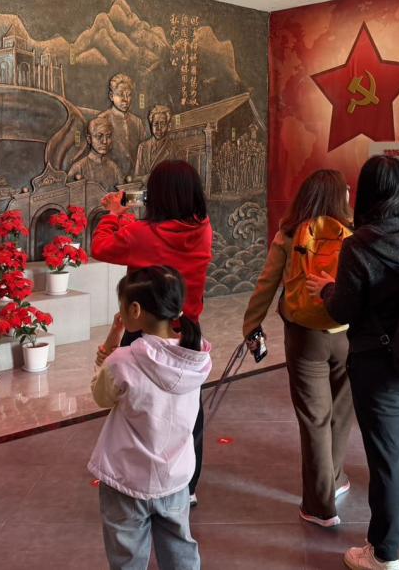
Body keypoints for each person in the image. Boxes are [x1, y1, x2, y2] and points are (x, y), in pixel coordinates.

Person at [308, 155, 399, 570]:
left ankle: (384, 552)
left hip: (379, 364)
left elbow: (344, 310)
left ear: (367, 192)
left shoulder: (361, 243)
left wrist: (327, 290)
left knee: (387, 457)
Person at [93, 160, 214, 505]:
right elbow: (151, 236)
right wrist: (129, 221)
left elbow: (102, 247)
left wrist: (114, 215)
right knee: (189, 411)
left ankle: (142, 478)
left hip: (146, 332)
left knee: (140, 410)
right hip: (186, 332)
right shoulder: (204, 229)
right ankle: (187, 485)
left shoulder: (140, 234)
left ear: (154, 195)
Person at [241, 169, 354, 528]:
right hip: (347, 334)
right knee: (341, 413)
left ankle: (320, 506)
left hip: (305, 336)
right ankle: (335, 478)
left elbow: (266, 284)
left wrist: (251, 324)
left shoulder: (289, 234)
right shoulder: (354, 234)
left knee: (314, 419)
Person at [89, 266, 211, 570]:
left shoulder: (123, 361)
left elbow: (101, 396)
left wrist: (111, 344)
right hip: (175, 478)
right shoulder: (196, 355)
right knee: (180, 550)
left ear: (134, 310)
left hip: (126, 481)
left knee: (127, 557)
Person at [98, 73, 147, 180]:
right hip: (110, 177)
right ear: (111, 96)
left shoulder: (137, 122)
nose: (125, 99)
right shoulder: (102, 119)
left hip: (134, 179)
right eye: (121, 95)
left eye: (128, 95)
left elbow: (144, 153)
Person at [68, 114, 123, 190]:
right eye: (99, 136)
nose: (104, 141)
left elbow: (121, 194)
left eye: (108, 136)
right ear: (89, 139)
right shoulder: (78, 168)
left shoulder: (114, 169)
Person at [135, 105, 176, 178]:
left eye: (162, 124)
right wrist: (145, 178)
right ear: (151, 126)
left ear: (169, 126)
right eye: (155, 124)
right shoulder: (142, 147)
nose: (159, 128)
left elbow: (175, 176)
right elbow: (137, 176)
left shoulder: (173, 148)